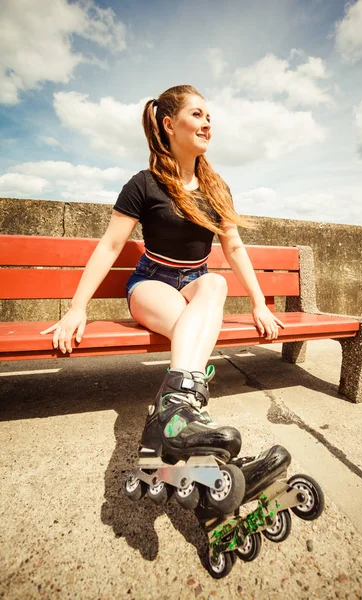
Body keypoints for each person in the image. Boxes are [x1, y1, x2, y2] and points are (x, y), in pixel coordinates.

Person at [41, 84, 284, 466]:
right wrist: (76, 308)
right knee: (196, 334)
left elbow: (233, 248)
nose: (207, 124)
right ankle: (187, 422)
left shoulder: (216, 188)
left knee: (216, 283)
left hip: (195, 282)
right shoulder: (144, 183)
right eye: (198, 115)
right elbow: (109, 246)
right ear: (169, 124)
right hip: (152, 282)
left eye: (209, 117)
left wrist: (258, 303)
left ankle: (172, 419)